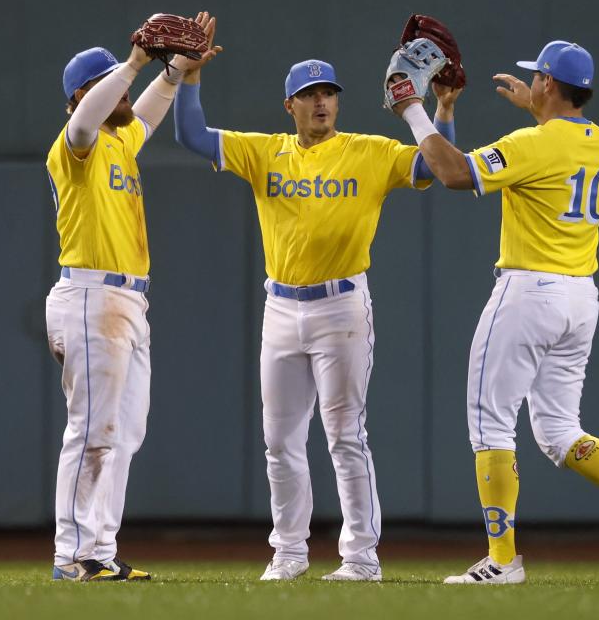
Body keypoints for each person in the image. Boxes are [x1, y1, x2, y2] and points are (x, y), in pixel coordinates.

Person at [392, 40, 599, 585]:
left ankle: (502, 560)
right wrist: (538, 107)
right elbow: (560, 140)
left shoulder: (531, 143)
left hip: (529, 292)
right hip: (581, 299)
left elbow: (454, 172)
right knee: (557, 429)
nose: (533, 83)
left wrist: (411, 106)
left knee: (490, 422)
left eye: (539, 78)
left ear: (550, 83)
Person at [174, 53, 460, 581]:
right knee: (279, 441)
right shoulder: (265, 153)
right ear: (290, 105)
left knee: (345, 436)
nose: (321, 101)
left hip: (341, 306)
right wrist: (189, 76)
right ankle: (288, 553)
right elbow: (191, 133)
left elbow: (432, 167)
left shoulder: (368, 152)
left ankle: (360, 559)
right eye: (309, 94)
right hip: (280, 307)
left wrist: (442, 111)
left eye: (328, 92)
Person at [44, 13, 220, 582]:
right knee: (93, 429)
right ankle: (70, 554)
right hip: (90, 297)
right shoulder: (77, 143)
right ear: (82, 96)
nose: (121, 92)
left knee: (124, 434)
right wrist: (137, 61)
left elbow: (145, 110)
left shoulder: (120, 141)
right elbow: (97, 111)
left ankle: (98, 549)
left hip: (127, 303)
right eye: (108, 84)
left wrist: (173, 73)